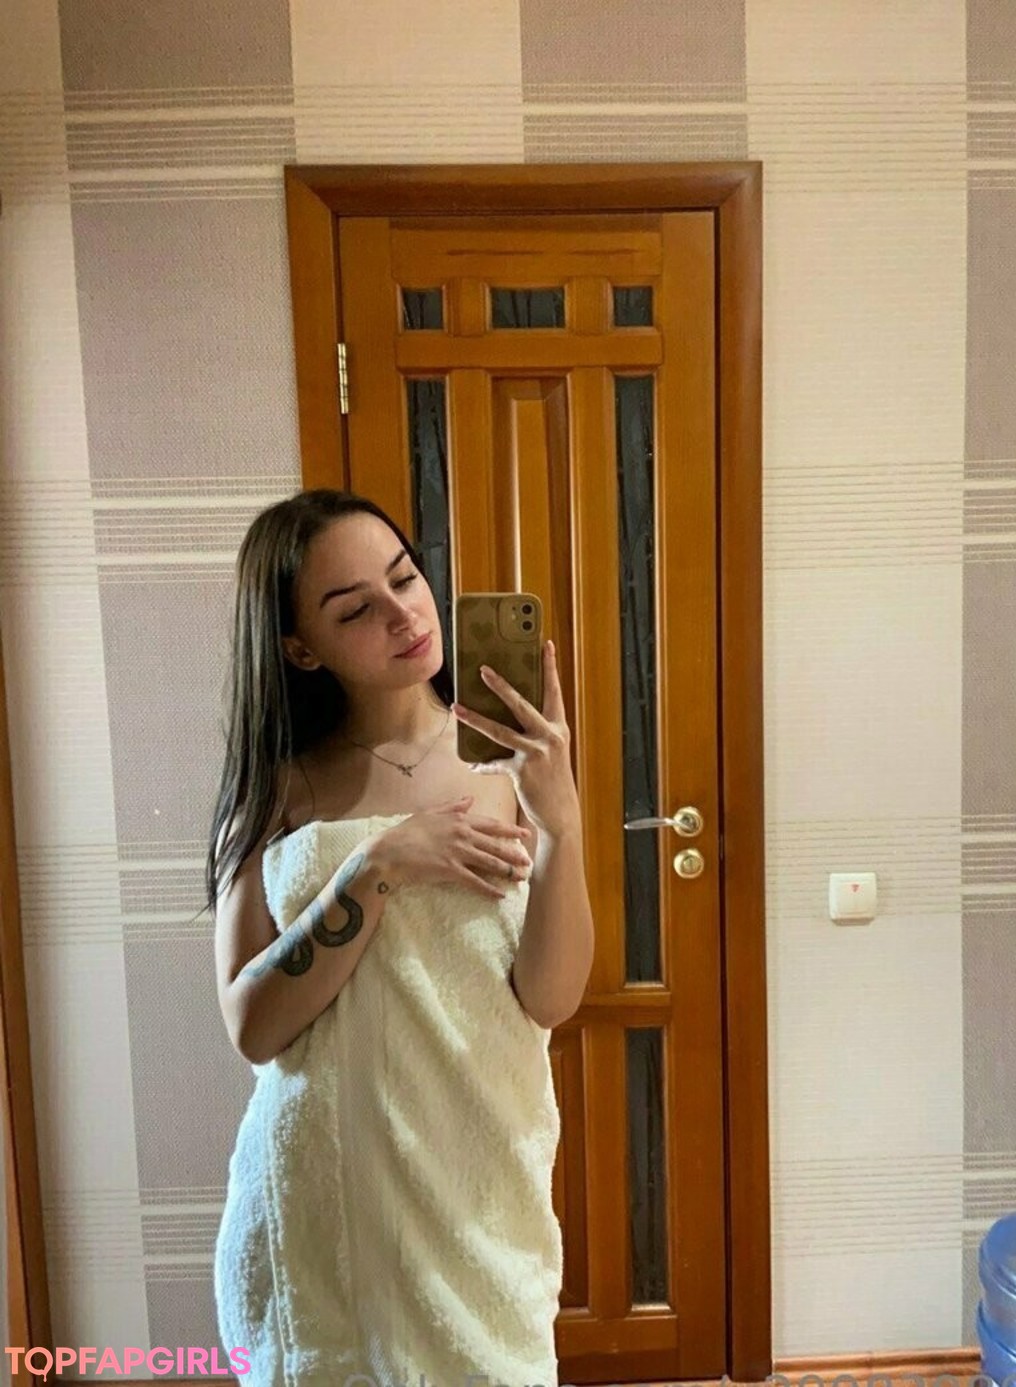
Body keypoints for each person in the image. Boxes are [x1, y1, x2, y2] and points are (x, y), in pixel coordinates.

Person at [206, 488, 594, 1387]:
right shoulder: (277, 790)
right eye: (355, 609)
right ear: (301, 647)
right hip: (322, 1195)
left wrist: (562, 824)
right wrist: (378, 863)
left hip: (474, 1186)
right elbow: (253, 1026)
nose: (404, 614)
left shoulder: (511, 766)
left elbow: (551, 998)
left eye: (405, 577)